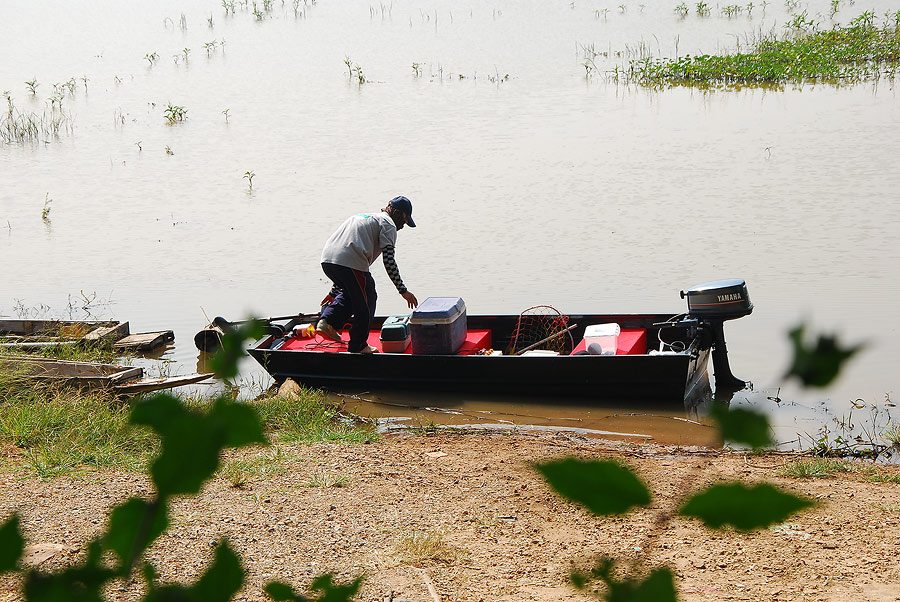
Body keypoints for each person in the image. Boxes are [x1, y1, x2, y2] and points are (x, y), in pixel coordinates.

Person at [316, 196, 419, 353]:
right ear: (398, 214)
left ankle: (328, 321)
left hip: (327, 261)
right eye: (405, 220)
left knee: (352, 293)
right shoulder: (389, 224)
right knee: (368, 296)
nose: (403, 226)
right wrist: (403, 290)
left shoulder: (363, 217)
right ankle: (358, 345)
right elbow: (389, 261)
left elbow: (343, 258)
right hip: (350, 262)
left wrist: (333, 292)